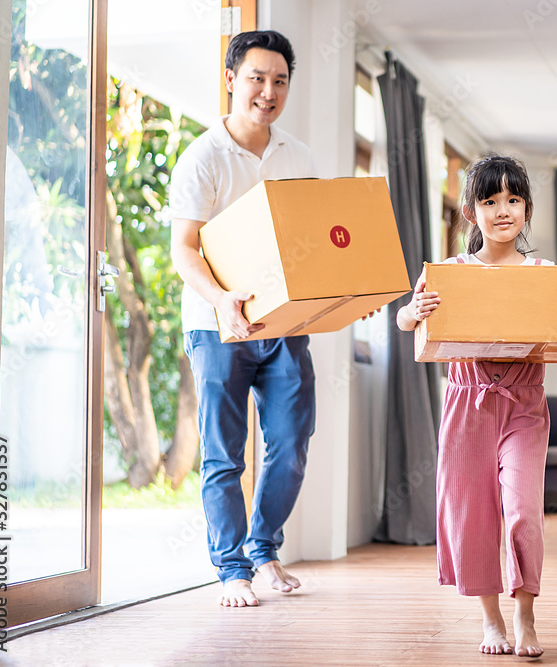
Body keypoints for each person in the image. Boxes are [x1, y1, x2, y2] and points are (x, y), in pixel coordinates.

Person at [397, 154, 557, 656]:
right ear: (471, 212)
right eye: (490, 201)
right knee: (473, 513)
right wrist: (412, 310)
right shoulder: (449, 272)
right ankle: (490, 621)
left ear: (527, 208)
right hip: (466, 401)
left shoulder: (545, 273)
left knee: (521, 510)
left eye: (513, 199)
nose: (503, 210)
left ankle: (525, 615)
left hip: (524, 404)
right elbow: (410, 326)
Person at [169, 30, 316, 608]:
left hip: (284, 323)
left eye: (279, 81)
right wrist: (221, 298)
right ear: (231, 79)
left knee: (292, 441)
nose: (268, 91)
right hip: (216, 323)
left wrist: (346, 292)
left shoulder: (298, 156)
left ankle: (263, 549)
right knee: (224, 453)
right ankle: (231, 570)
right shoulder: (201, 158)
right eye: (257, 78)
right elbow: (184, 249)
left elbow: (311, 242)